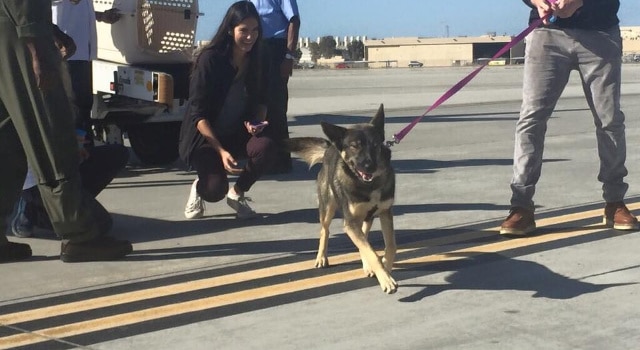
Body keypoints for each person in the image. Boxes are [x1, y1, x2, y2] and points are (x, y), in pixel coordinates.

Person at [0, 0, 132, 263]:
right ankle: (79, 235)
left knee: (8, 138)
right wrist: (38, 51)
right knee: (50, 131)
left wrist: (51, 31)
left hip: (9, 31)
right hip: (22, 37)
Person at [500, 0, 638, 235]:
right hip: (547, 34)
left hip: (600, 33)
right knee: (531, 119)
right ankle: (521, 205)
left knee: (609, 120)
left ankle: (614, 201)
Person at [179, 1, 277, 220]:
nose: (250, 37)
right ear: (230, 29)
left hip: (237, 131)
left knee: (267, 146)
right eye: (243, 30)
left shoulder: (259, 58)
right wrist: (221, 151)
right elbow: (198, 114)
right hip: (205, 137)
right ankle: (199, 185)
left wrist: (256, 124)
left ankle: (238, 192)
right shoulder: (210, 59)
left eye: (255, 30)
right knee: (214, 190)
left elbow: (262, 99)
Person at [250, 0, 300, 174]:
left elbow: (294, 20)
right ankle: (263, 156)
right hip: (256, 47)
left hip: (275, 48)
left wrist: (288, 56)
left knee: (275, 106)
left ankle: (281, 161)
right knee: (258, 103)